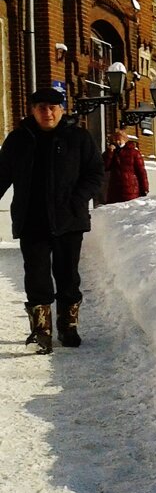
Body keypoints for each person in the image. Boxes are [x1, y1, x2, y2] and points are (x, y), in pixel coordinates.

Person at [0, 88, 104, 354]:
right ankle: (41, 330)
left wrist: (77, 199)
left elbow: (94, 174)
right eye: (41, 108)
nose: (47, 112)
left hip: (69, 220)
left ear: (62, 109)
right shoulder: (18, 140)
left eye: (53, 107)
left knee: (68, 276)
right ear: (32, 110)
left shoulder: (79, 138)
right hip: (31, 220)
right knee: (36, 277)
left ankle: (68, 326)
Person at [103, 127, 149, 203]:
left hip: (131, 188)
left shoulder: (134, 152)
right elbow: (105, 166)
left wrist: (144, 188)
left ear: (124, 140)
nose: (117, 142)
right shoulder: (112, 152)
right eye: (115, 140)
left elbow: (141, 171)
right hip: (115, 188)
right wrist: (110, 152)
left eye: (119, 140)